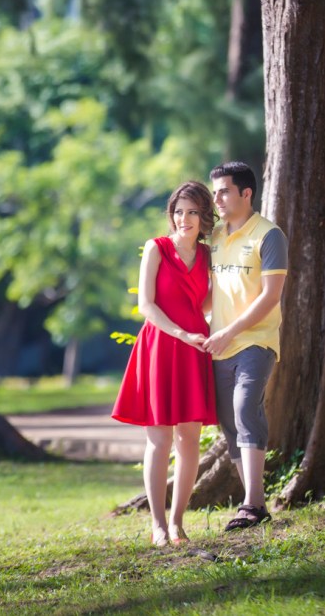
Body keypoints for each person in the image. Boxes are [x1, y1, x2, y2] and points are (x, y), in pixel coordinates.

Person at [112, 181, 217, 547]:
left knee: (189, 440)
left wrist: (200, 329)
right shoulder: (156, 248)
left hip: (194, 348)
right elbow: (146, 305)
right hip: (160, 345)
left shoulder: (208, 255)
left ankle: (177, 523)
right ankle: (157, 525)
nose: (184, 219)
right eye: (178, 212)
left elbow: (205, 303)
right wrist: (181, 333)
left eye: (192, 212)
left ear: (204, 216)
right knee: (159, 440)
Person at [203, 161, 288, 531]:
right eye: (215, 192)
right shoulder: (215, 237)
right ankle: (255, 505)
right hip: (218, 345)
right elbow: (210, 293)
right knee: (230, 424)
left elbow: (270, 296)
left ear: (246, 193)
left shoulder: (269, 236)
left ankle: (252, 503)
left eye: (224, 191)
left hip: (255, 341)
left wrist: (230, 330)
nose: (217, 199)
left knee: (244, 409)